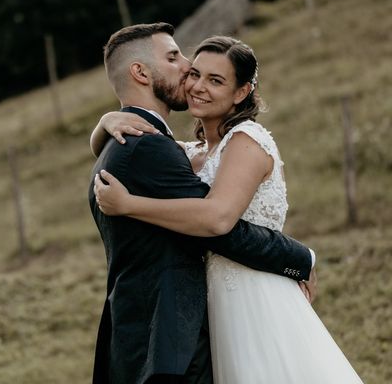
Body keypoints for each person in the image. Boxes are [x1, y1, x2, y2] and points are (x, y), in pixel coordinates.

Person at [92, 35, 363, 383]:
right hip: (213, 302)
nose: (197, 87)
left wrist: (129, 205)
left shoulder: (247, 140)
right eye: (196, 74)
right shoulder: (191, 153)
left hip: (254, 292)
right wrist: (105, 123)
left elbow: (218, 218)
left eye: (216, 80)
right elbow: (138, 156)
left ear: (241, 92)